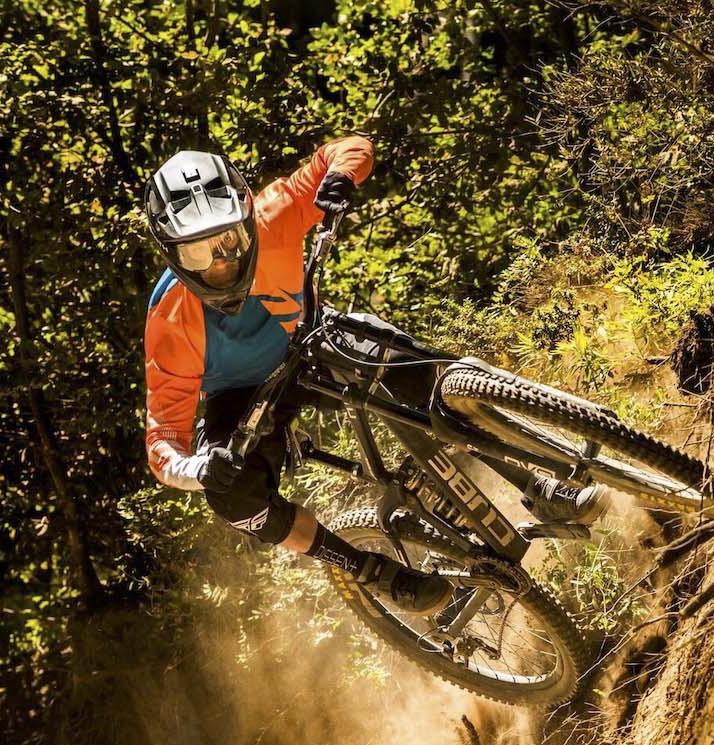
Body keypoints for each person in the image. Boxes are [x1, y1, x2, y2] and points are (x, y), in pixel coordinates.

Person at [140, 138, 603, 614]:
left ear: (246, 219)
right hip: (241, 394)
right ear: (171, 254)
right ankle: (367, 569)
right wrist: (199, 469)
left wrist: (340, 177)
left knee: (431, 381)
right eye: (197, 254)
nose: (221, 262)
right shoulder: (168, 321)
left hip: (312, 338)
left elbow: (347, 147)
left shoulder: (273, 214)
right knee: (234, 500)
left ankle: (536, 486)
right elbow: (162, 443)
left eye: (229, 241)